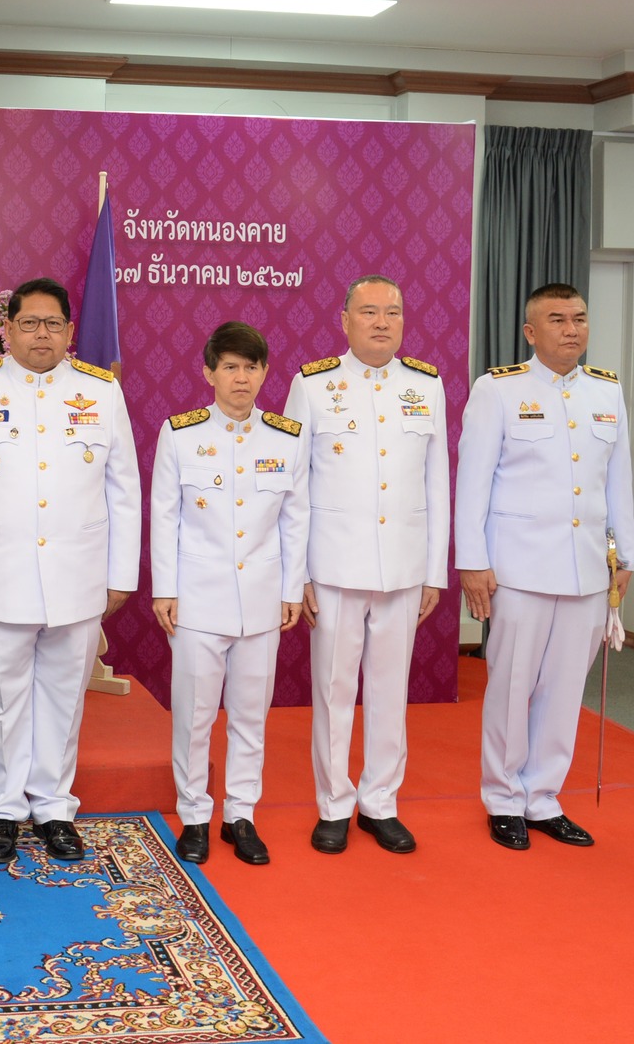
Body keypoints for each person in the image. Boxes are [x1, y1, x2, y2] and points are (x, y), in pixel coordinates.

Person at [0, 277, 141, 865]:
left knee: (65, 696)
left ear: (70, 332)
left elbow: (124, 488)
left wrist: (122, 573)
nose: (41, 334)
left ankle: (52, 806)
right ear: (8, 329)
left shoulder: (102, 393)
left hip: (78, 572)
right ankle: (1, 809)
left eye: (52, 324)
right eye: (29, 323)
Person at [454, 284, 634, 851]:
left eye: (580, 318)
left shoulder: (606, 392)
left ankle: (543, 797)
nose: (571, 329)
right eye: (556, 320)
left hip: (586, 569)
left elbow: (618, 481)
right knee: (511, 686)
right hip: (520, 568)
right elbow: (473, 480)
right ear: (531, 332)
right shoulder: (498, 389)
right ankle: (503, 798)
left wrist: (626, 555)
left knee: (563, 691)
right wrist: (473, 561)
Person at [283, 274, 448, 856]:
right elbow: (293, 483)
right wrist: (296, 572)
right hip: (333, 565)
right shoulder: (313, 384)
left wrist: (435, 570)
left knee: (388, 690)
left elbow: (437, 481)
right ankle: (333, 804)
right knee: (333, 689)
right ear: (345, 319)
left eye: (393, 312)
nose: (382, 322)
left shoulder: (426, 386)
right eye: (369, 311)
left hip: (403, 566)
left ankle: (381, 802)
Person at [149, 321, 308, 866]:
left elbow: (296, 519)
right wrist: (164, 589)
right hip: (197, 599)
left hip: (263, 602)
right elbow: (164, 517)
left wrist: (292, 588)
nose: (243, 377)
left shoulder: (287, 436)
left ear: (265, 372)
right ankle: (194, 814)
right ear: (209, 372)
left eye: (253, 366)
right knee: (194, 716)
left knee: (249, 716)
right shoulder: (181, 433)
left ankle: (241, 815)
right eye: (232, 367)